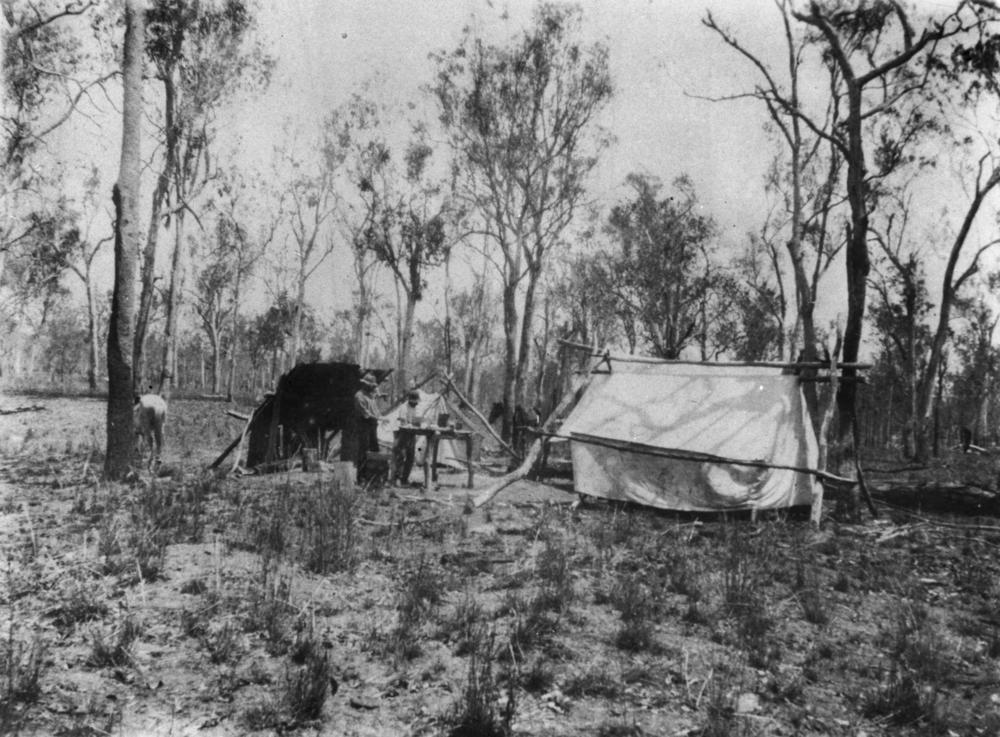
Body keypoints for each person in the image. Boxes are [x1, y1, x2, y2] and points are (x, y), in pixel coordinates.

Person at [353, 372, 381, 480]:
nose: (372, 388)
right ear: (365, 384)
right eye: (371, 386)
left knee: (375, 449)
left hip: (373, 425)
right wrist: (378, 417)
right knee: (364, 450)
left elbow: (375, 411)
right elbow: (366, 414)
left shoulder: (371, 396)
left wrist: (380, 417)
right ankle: (361, 476)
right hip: (363, 425)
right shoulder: (359, 396)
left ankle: (373, 475)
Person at [394, 390, 422, 485]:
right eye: (415, 401)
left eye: (417, 401)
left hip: (412, 434)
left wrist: (418, 423)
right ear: (410, 400)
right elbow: (403, 421)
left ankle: (405, 478)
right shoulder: (403, 407)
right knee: (401, 456)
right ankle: (397, 477)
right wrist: (408, 424)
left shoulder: (415, 408)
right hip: (403, 434)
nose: (416, 403)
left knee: (410, 457)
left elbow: (417, 419)